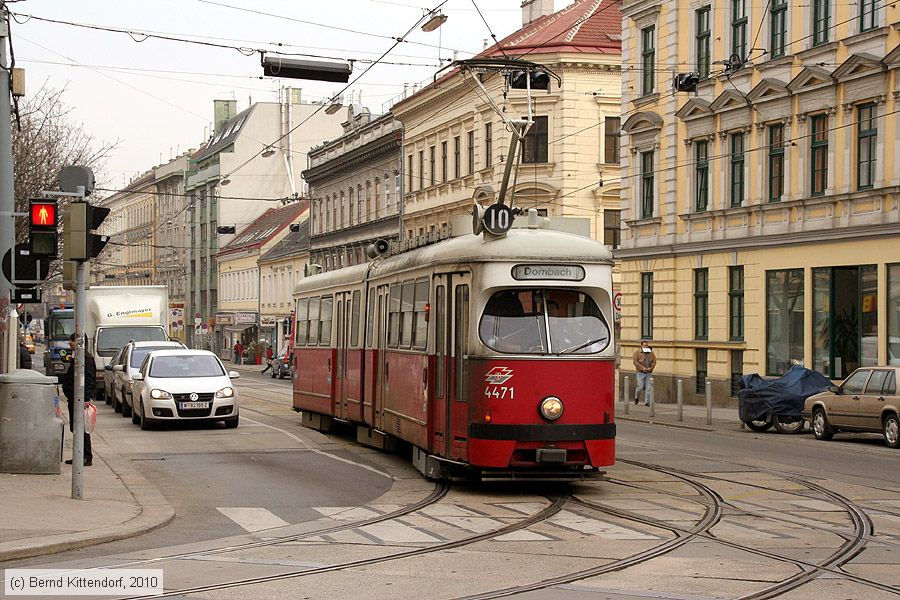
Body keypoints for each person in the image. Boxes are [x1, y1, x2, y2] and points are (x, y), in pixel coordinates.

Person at [61, 333, 94, 466]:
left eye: (72, 340)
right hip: (73, 398)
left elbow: (90, 379)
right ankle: (79, 455)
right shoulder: (77, 356)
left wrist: (86, 398)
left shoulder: (86, 358)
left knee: (81, 429)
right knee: (76, 428)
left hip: (80, 399)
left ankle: (86, 456)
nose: (70, 343)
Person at [632, 340, 657, 406]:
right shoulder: (637, 352)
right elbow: (635, 362)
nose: (646, 346)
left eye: (646, 345)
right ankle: (636, 397)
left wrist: (651, 368)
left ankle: (647, 402)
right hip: (640, 372)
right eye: (644, 345)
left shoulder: (651, 353)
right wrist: (642, 368)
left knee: (648, 388)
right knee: (640, 387)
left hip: (648, 372)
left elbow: (654, 361)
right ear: (641, 345)